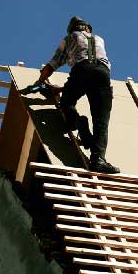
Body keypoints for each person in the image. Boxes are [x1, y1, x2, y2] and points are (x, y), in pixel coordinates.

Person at [34, 16, 120, 174]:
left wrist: (39, 81)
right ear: (87, 28)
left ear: (72, 29)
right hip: (102, 74)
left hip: (82, 70)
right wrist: (62, 88)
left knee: (67, 103)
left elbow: (54, 63)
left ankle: (78, 122)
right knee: (101, 121)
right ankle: (98, 160)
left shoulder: (70, 38)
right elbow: (93, 66)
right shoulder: (99, 39)